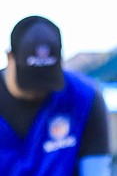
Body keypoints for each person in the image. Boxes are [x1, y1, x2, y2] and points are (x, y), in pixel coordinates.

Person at [1, 15, 111, 175]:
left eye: (46, 78)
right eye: (31, 79)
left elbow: (96, 170)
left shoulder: (84, 97)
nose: (38, 88)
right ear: (10, 58)